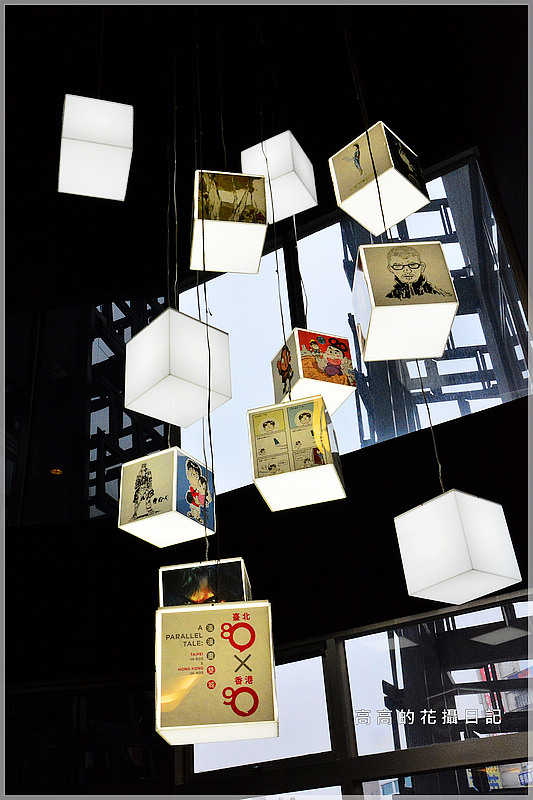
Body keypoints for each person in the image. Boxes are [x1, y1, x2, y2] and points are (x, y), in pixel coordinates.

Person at [385, 246, 453, 300]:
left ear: (422, 267)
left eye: (412, 265)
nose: (407, 270)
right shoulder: (388, 299)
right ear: (390, 269)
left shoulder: (442, 296)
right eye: (398, 266)